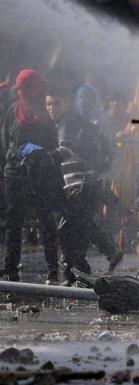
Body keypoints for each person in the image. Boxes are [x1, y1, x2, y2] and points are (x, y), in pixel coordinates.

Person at [0, 69, 66, 283]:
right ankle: (10, 269)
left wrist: (40, 157)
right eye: (20, 90)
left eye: (26, 89)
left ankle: (53, 271)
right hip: (15, 175)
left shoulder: (47, 114)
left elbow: (55, 145)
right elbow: (6, 141)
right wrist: (13, 157)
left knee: (46, 221)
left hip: (41, 176)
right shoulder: (13, 111)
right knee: (13, 223)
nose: (23, 94)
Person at [54, 85, 123, 282]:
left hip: (84, 184)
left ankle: (78, 267)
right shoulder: (82, 125)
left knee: (74, 225)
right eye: (82, 99)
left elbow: (107, 156)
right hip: (81, 183)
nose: (85, 103)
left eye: (88, 100)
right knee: (79, 226)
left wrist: (95, 171)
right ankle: (78, 269)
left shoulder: (88, 128)